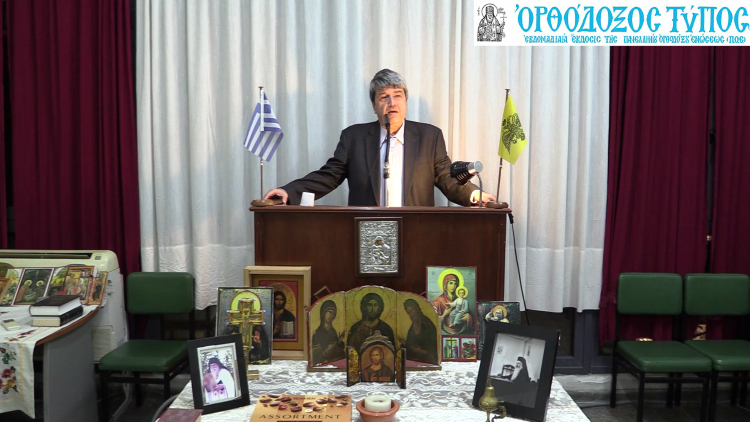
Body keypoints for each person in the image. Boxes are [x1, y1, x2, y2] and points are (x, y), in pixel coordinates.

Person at [263, 69, 495, 207]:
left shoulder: (429, 137)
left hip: (416, 229)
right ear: (374, 106)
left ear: (405, 102)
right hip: (366, 230)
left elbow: (446, 177)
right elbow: (328, 176)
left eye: (398, 96)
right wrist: (289, 191)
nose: (392, 103)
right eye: (384, 97)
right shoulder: (354, 137)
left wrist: (474, 194)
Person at [401, 299, 438, 363]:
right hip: (415, 359)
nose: (411, 314)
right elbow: (413, 344)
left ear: (417, 309)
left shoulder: (427, 325)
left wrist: (421, 351)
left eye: (412, 310)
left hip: (425, 361)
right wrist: (405, 343)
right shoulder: (413, 325)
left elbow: (432, 351)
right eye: (408, 312)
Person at [311, 300, 346, 365]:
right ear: (323, 313)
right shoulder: (317, 334)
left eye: (333, 313)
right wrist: (328, 349)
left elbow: (336, 351)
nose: (331, 315)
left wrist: (339, 341)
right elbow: (316, 357)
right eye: (329, 312)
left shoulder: (333, 331)